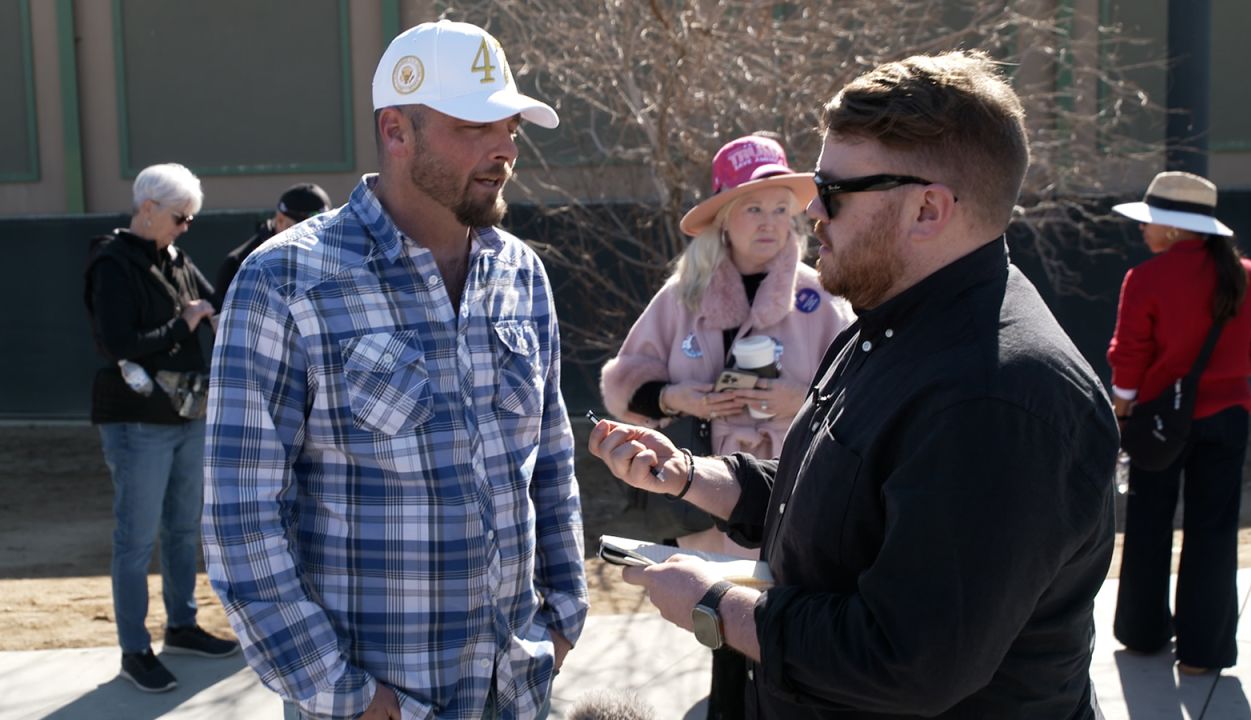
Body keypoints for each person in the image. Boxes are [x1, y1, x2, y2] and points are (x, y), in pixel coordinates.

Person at [588, 50, 1119, 719]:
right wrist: (693, 475)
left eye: (831, 193)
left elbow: (904, 659)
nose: (810, 215)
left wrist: (715, 606)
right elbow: (841, 496)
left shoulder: (997, 397)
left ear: (927, 209)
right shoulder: (891, 321)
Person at [202, 20, 587, 720]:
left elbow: (550, 464)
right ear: (396, 130)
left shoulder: (519, 275)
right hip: (376, 700)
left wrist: (561, 619)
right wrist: (344, 695)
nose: (504, 149)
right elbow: (242, 518)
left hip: (518, 690)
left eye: (511, 128)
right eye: (475, 125)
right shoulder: (288, 280)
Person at [599, 134, 853, 557]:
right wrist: (674, 398)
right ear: (724, 217)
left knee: (780, 617)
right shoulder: (681, 296)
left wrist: (802, 401)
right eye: (754, 208)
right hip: (698, 501)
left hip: (794, 500)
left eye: (779, 209)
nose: (769, 222)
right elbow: (624, 387)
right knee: (705, 611)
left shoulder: (823, 299)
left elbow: (863, 401)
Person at [1108, 171, 1251, 674]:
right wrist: (1224, 372)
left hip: (1159, 420)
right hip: (1229, 418)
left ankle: (1142, 636)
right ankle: (1204, 654)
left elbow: (1129, 358)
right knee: (1215, 531)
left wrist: (1123, 411)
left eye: (1152, 222)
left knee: (1147, 525)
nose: (1144, 231)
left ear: (1176, 230)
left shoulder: (1146, 278)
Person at [84, 162, 238, 693]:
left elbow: (209, 303)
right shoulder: (112, 262)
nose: (185, 227)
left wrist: (206, 315)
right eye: (180, 217)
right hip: (137, 421)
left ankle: (182, 625)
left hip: (185, 412)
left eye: (191, 218)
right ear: (147, 208)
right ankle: (134, 649)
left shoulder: (174, 255)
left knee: (181, 528)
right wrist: (186, 321)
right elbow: (117, 342)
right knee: (135, 539)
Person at [212, 183, 331, 306]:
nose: (314, 236)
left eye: (322, 227)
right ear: (280, 220)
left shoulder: (331, 257)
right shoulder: (239, 264)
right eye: (306, 227)